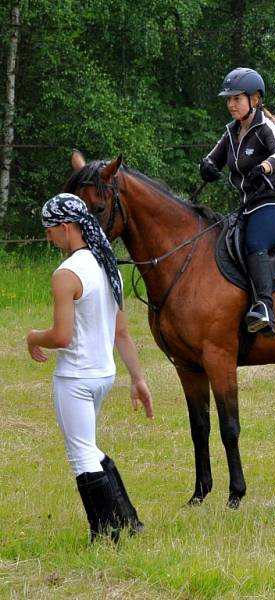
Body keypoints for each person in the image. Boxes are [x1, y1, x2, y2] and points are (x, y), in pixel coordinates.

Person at [26, 193, 154, 543]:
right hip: (104, 374)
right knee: (88, 446)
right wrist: (138, 378)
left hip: (76, 376)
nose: (48, 238)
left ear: (66, 227)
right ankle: (127, 521)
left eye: (49, 230)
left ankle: (105, 533)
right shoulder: (106, 264)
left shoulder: (66, 273)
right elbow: (122, 331)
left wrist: (34, 336)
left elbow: (62, 337)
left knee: (80, 453)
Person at [200, 67, 275, 335]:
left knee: (254, 242)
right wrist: (206, 166)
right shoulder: (231, 132)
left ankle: (264, 307)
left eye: (236, 98)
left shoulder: (265, 127)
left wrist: (264, 167)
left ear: (255, 99)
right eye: (228, 99)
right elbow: (213, 157)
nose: (231, 104)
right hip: (247, 206)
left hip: (273, 204)